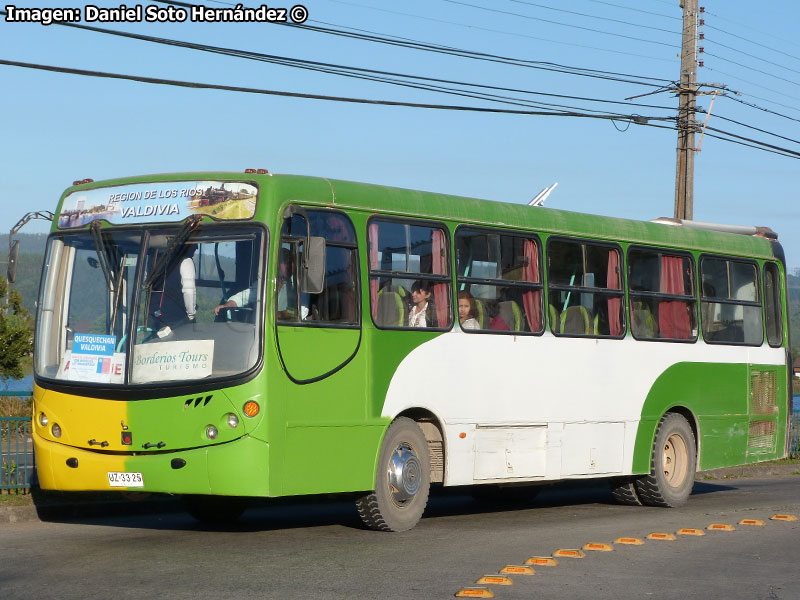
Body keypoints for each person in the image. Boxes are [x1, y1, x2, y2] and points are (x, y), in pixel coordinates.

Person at [153, 244, 197, 327]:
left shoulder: (153, 259)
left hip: (153, 317)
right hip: (177, 319)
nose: (196, 248)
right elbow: (189, 291)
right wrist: (191, 316)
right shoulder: (186, 261)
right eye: (194, 243)